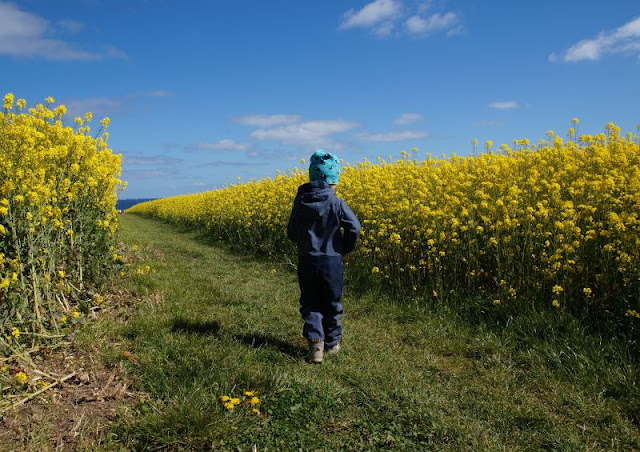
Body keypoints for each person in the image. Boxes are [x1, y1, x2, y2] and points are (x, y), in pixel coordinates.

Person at [287, 150, 361, 364]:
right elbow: (354, 227)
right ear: (333, 181)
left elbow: (291, 232)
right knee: (332, 302)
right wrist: (345, 246)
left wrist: (302, 241)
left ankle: (315, 347)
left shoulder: (300, 202)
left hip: (307, 261)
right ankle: (333, 343)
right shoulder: (336, 202)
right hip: (332, 262)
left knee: (310, 302)